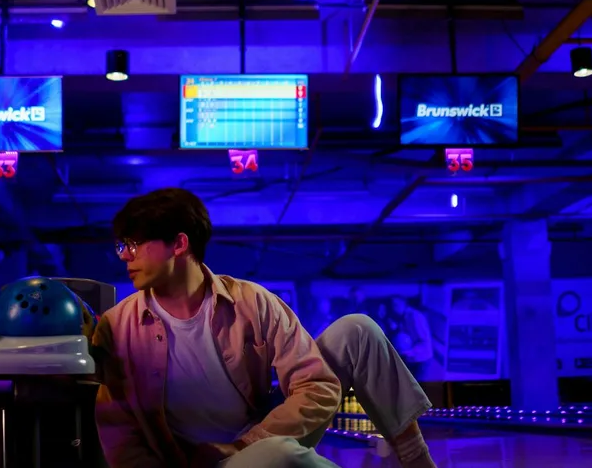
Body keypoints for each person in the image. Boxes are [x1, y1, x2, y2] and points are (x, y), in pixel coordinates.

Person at [91, 188, 436, 468]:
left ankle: (419, 462)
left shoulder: (251, 301)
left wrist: (247, 442)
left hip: (259, 437)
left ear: (179, 245)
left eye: (134, 244)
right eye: (122, 246)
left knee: (358, 330)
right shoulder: (118, 326)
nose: (124, 256)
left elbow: (316, 385)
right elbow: (119, 431)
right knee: (280, 456)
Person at [390, 296, 434, 380]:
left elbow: (424, 341)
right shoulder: (403, 318)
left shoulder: (415, 316)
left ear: (404, 304)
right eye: (393, 305)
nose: (394, 308)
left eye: (396, 304)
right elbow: (405, 338)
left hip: (422, 358)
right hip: (412, 358)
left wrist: (409, 351)